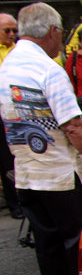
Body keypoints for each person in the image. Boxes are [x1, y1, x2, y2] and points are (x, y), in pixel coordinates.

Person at [0, 2, 82, 275]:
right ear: (53, 31)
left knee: (47, 242)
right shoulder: (48, 70)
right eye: (62, 32)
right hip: (62, 176)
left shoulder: (7, 66)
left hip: (27, 173)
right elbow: (74, 126)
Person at [0, 12, 21, 219]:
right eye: (7, 30)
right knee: (5, 160)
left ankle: (21, 199)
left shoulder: (18, 51)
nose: (12, 34)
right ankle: (13, 203)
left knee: (17, 156)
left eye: (15, 30)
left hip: (18, 112)